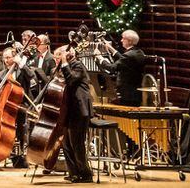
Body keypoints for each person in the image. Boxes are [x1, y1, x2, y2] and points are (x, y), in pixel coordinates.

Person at [57, 45, 93, 182]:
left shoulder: (77, 65)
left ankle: (86, 174)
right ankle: (74, 173)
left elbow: (71, 79)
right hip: (69, 110)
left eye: (59, 56)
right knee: (66, 143)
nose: (57, 59)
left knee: (77, 143)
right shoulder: (65, 67)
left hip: (79, 109)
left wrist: (64, 62)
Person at [100, 30, 148, 107]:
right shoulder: (139, 52)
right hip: (135, 93)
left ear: (129, 41)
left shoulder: (128, 55)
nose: (121, 40)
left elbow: (112, 68)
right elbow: (124, 59)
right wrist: (110, 48)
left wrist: (100, 58)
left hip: (126, 94)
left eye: (123, 38)